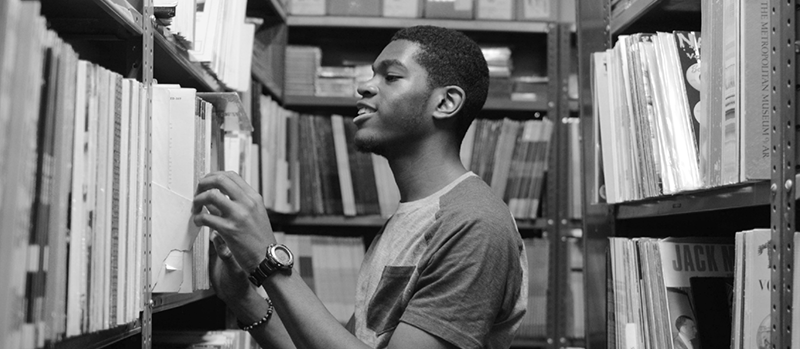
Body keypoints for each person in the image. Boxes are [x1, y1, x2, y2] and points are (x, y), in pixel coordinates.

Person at [192, 25, 528, 349]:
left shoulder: (474, 225)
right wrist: (242, 298)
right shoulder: (416, 216)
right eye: (371, 74)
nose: (365, 87)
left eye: (391, 76)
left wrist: (268, 258)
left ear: (445, 103)